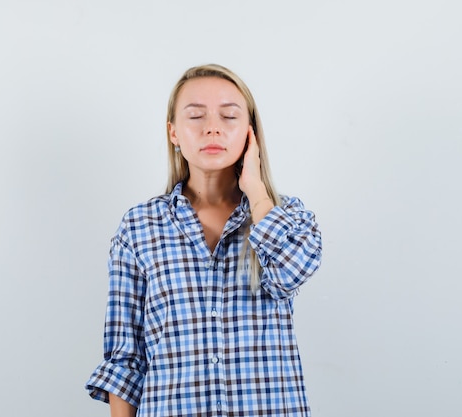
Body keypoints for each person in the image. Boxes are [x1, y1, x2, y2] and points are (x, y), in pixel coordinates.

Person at [85, 64, 322, 417]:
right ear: (174, 133)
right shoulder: (139, 227)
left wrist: (256, 190)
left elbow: (290, 273)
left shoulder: (289, 218)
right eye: (196, 116)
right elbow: (126, 359)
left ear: (250, 134)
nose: (212, 127)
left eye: (229, 116)